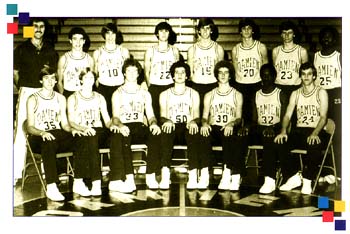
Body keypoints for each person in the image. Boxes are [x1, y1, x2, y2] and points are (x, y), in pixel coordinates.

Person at [13, 18, 59, 184]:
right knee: (21, 132)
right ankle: (15, 173)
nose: (38, 29)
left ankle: (48, 173)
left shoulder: (50, 50)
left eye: (42, 26)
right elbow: (15, 73)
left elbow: (53, 74)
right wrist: (23, 88)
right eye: (35, 26)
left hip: (45, 92)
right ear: (30, 29)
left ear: (45, 30)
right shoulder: (21, 49)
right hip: (27, 91)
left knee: (46, 127)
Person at [274, 62, 329, 195]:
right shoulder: (295, 93)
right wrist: (283, 131)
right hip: (300, 131)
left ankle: (307, 180)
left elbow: (323, 117)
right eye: (303, 74)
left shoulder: (321, 92)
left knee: (313, 143)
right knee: (280, 141)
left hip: (318, 130)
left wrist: (315, 133)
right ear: (300, 76)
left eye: (309, 74)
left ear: (314, 76)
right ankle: (293, 177)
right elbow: (287, 115)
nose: (306, 77)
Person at [109, 58, 162, 193]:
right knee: (122, 137)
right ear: (124, 73)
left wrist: (154, 124)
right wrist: (120, 125)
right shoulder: (117, 93)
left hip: (139, 126)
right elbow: (115, 117)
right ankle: (129, 177)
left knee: (155, 133)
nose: (132, 74)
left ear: (139, 74)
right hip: (125, 125)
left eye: (135, 71)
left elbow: (150, 115)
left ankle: (150, 175)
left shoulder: (144, 93)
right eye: (129, 71)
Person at [157, 61, 208, 190]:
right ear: (173, 76)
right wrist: (166, 121)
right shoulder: (164, 94)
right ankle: (165, 174)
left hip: (187, 126)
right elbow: (162, 116)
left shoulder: (194, 93)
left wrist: (193, 121)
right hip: (172, 126)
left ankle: (193, 174)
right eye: (177, 72)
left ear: (187, 76)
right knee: (166, 131)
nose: (179, 75)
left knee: (193, 131)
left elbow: (197, 116)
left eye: (183, 72)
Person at [26, 66, 74, 201]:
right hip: (37, 136)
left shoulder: (61, 98)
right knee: (49, 140)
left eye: (53, 78)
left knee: (79, 138)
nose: (50, 81)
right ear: (40, 81)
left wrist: (74, 130)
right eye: (46, 78)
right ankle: (52, 186)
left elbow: (64, 124)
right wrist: (42, 132)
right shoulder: (33, 99)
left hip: (56, 134)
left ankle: (80, 180)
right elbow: (29, 126)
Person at [67, 67, 117, 197]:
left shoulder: (100, 97)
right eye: (86, 78)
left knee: (105, 135)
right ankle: (88, 182)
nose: (89, 80)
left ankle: (104, 180)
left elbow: (106, 120)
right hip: (81, 131)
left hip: (97, 131)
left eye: (92, 78)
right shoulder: (73, 98)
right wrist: (84, 128)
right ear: (81, 80)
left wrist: (113, 126)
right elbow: (71, 122)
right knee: (88, 137)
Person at [200, 60, 248, 191]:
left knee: (230, 135)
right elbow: (204, 116)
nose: (223, 75)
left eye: (226, 72)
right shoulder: (209, 94)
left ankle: (227, 173)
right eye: (220, 72)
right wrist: (204, 124)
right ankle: (205, 173)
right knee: (203, 135)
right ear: (216, 75)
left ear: (230, 75)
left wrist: (231, 123)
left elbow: (239, 118)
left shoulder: (237, 94)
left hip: (230, 127)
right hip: (214, 127)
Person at [249, 64, 289, 194]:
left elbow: (284, 119)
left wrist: (272, 127)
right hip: (261, 128)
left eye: (269, 75)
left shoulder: (280, 94)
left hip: (277, 128)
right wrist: (246, 127)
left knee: (269, 137)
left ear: (274, 76)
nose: (266, 78)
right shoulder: (256, 94)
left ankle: (270, 179)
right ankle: (234, 174)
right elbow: (255, 120)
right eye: (263, 75)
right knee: (245, 135)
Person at [313, 26, 341, 183]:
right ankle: (323, 169)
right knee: (321, 131)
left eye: (329, 37)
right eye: (323, 36)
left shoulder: (340, 56)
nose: (326, 39)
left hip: (336, 94)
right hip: (321, 95)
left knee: (337, 133)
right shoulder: (316, 56)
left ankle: (337, 170)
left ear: (335, 39)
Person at [231, 18, 268, 125]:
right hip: (241, 84)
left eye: (249, 28)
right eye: (244, 28)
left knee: (256, 112)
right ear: (240, 31)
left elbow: (266, 69)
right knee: (242, 113)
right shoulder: (235, 49)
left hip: (256, 84)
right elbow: (235, 70)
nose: (246, 31)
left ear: (253, 30)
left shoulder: (261, 47)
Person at [187, 18, 225, 115]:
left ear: (211, 30)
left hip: (213, 85)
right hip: (197, 86)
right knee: (197, 115)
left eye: (207, 28)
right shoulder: (192, 49)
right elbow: (189, 72)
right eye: (202, 28)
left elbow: (221, 71)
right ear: (198, 30)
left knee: (212, 114)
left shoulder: (218, 48)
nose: (205, 31)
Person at [144, 21, 180, 121]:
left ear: (169, 33)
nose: (163, 33)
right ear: (157, 33)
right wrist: (150, 86)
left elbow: (178, 71)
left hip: (170, 85)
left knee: (170, 115)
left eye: (166, 31)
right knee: (155, 116)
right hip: (155, 87)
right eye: (161, 31)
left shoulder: (174, 51)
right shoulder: (150, 51)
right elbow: (146, 72)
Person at [93, 23, 130, 116]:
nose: (110, 36)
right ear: (104, 35)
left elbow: (128, 72)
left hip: (119, 86)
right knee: (105, 117)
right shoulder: (98, 52)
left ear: (116, 35)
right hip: (104, 88)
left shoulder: (123, 51)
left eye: (113, 33)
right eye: (107, 33)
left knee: (120, 116)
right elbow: (95, 75)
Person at [272, 21, 308, 98]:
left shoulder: (302, 51)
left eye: (290, 32)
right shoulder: (276, 51)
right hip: (279, 86)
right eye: (284, 33)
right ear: (281, 35)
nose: (287, 35)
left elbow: (306, 72)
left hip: (295, 87)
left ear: (294, 34)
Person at [57, 27, 94, 99]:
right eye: (75, 39)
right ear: (70, 40)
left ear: (84, 41)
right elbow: (59, 82)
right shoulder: (64, 59)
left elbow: (92, 81)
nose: (78, 42)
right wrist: (64, 98)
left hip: (84, 94)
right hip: (69, 94)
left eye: (80, 39)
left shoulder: (89, 59)